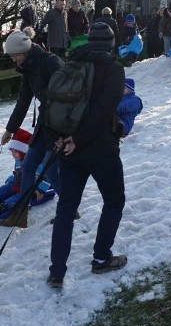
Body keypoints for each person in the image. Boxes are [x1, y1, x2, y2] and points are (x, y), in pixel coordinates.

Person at [46, 22, 127, 288]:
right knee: (114, 201)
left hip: (67, 149)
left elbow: (52, 105)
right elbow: (103, 111)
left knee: (66, 208)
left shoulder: (70, 64)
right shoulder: (113, 69)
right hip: (100, 148)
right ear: (111, 44)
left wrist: (60, 139)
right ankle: (102, 258)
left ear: (89, 41)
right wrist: (79, 139)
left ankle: (57, 271)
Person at [0, 29, 63, 228]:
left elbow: (71, 93)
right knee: (28, 167)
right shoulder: (28, 69)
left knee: (51, 172)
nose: (13, 60)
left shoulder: (50, 62)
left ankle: (69, 207)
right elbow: (23, 101)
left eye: (14, 55)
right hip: (45, 121)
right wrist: (10, 129)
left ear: (24, 51)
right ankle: (21, 214)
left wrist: (66, 131)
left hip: (60, 123)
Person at [0, 128, 51, 215]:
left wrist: (40, 189)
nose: (13, 154)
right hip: (19, 184)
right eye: (12, 151)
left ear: (24, 151)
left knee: (20, 196)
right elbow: (18, 173)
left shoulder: (36, 162)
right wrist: (11, 180)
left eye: (16, 151)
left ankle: (4, 206)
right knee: (5, 189)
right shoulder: (19, 160)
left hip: (32, 189)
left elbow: (46, 176)